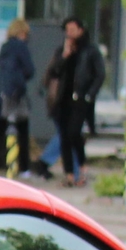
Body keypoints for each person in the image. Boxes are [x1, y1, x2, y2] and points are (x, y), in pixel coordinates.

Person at [41, 17, 103, 185]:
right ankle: (69, 173)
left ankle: (81, 166)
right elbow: (54, 71)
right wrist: (64, 56)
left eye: (72, 29)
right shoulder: (63, 50)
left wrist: (90, 94)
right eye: (67, 30)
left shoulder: (90, 51)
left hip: (81, 98)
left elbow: (99, 74)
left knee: (74, 133)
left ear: (80, 30)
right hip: (63, 99)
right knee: (64, 137)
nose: (69, 33)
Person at [0, 18, 36, 175]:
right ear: (22, 32)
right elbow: (30, 70)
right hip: (16, 95)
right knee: (22, 130)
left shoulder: (5, 47)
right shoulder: (20, 47)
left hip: (1, 94)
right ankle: (24, 167)